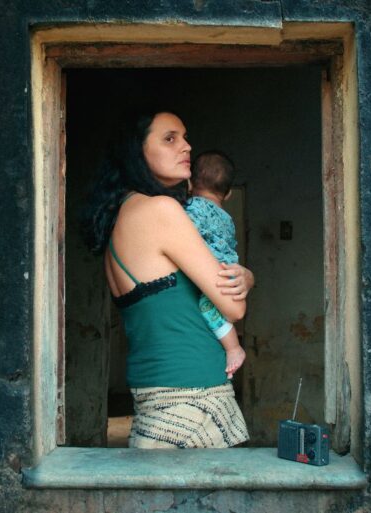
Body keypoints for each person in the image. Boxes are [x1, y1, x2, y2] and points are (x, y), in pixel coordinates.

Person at [82, 110, 254, 449]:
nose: (186, 146)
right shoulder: (161, 210)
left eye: (185, 137)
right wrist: (246, 277)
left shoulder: (122, 217)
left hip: (154, 396)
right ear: (137, 151)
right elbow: (234, 308)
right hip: (193, 401)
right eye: (170, 138)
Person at [186, 151, 245, 380]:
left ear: (190, 184)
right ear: (228, 193)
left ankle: (234, 348)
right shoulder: (227, 219)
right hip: (228, 271)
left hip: (213, 273)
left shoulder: (189, 209)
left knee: (208, 309)